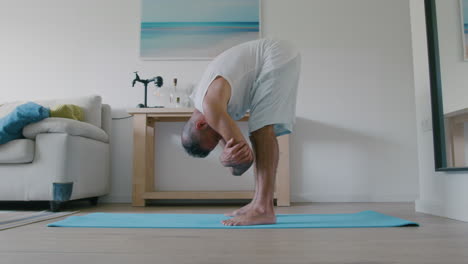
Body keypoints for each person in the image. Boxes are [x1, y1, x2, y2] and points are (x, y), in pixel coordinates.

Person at [181, 38, 301, 226]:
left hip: (276, 54)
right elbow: (237, 167)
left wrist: (226, 160)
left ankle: (263, 209)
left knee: (262, 130)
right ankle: (258, 203)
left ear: (201, 125)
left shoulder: (210, 106)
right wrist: (230, 162)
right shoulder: (207, 109)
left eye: (217, 137)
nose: (221, 139)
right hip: (278, 55)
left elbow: (245, 156)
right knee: (259, 129)